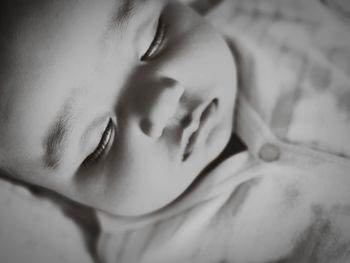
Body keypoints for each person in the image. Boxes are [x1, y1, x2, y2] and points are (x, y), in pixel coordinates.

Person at [0, 0, 349, 262]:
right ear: (55, 198)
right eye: (101, 139)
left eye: (154, 39)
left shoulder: (276, 12)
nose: (163, 102)